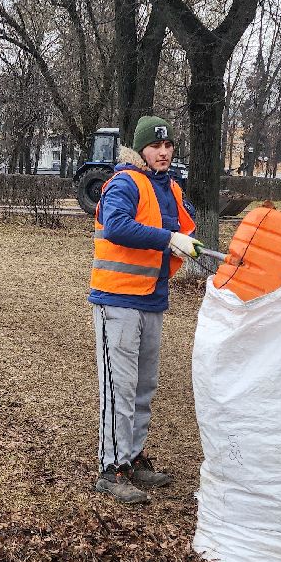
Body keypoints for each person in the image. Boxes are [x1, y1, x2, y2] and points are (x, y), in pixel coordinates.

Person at [89, 116, 198, 505]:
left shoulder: (169, 187)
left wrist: (186, 240)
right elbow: (117, 226)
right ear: (141, 150)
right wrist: (169, 239)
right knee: (119, 387)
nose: (164, 152)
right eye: (155, 146)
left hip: (152, 299)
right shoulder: (124, 182)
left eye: (168, 146)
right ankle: (111, 468)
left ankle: (132, 459)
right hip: (117, 300)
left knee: (143, 386)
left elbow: (186, 226)